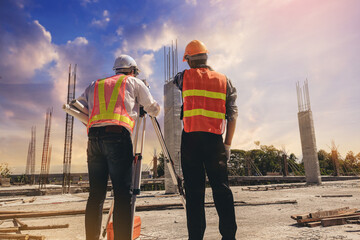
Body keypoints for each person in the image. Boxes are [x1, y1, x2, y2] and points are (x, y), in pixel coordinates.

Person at [77, 54, 160, 240]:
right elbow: (152, 108)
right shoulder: (133, 82)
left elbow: (79, 107)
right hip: (117, 138)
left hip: (94, 139)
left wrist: (93, 122)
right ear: (133, 71)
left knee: (96, 195)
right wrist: (153, 108)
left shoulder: (95, 84)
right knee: (123, 195)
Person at [173, 40, 238, 240]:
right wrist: (227, 144)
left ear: (189, 60)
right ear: (206, 57)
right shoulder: (224, 80)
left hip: (191, 140)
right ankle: (229, 237)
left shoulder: (183, 77)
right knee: (221, 189)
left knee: (193, 193)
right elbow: (232, 114)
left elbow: (175, 81)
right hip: (214, 141)